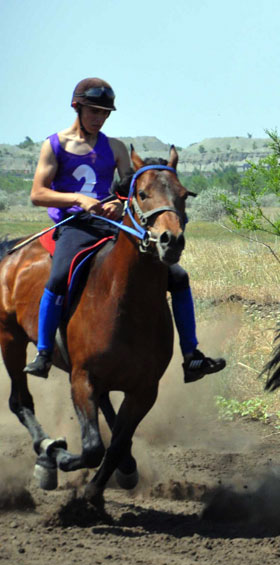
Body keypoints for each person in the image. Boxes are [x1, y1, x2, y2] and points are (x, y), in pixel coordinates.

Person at [25, 77, 225, 383]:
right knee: (58, 275)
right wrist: (79, 199)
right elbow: (38, 194)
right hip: (74, 225)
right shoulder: (54, 146)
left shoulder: (115, 147)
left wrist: (119, 206)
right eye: (93, 111)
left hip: (112, 225)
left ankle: (191, 355)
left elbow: (130, 190)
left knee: (178, 276)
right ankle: (43, 353)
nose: (99, 118)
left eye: (105, 113)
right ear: (77, 108)